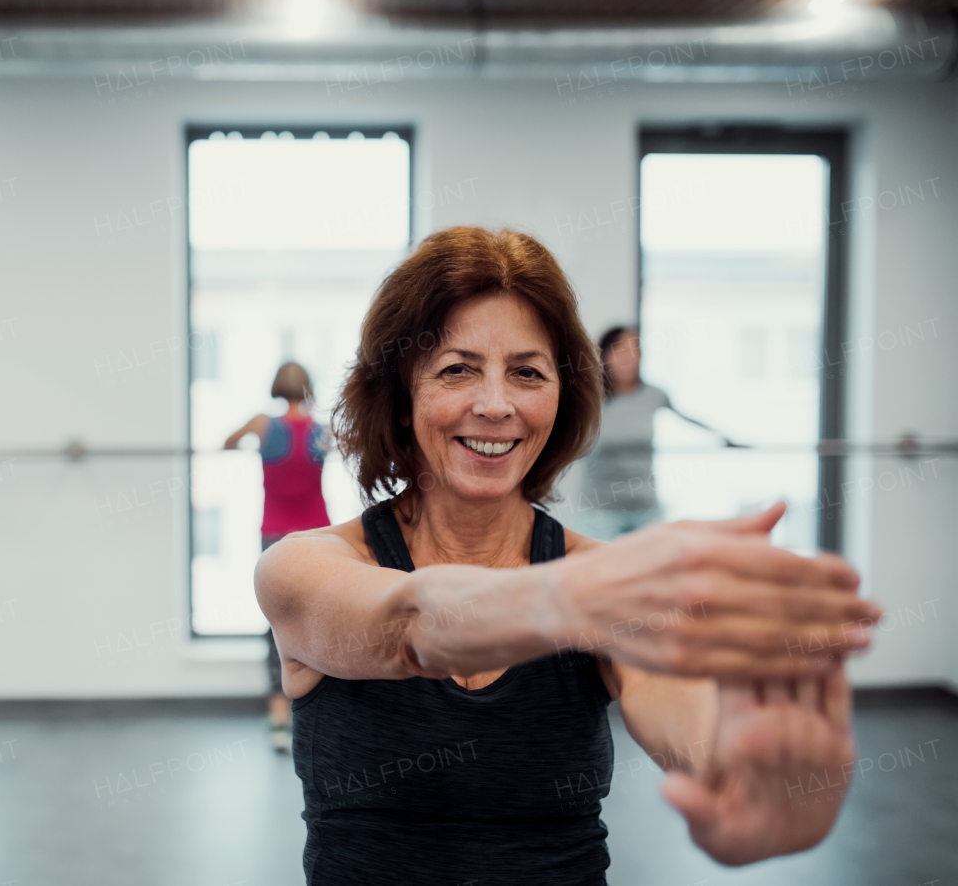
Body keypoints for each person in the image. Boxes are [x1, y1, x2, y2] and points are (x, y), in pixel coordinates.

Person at [255, 227, 880, 884]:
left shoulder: (604, 590)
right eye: (457, 369)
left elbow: (679, 705)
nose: (495, 405)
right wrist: (575, 596)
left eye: (527, 372)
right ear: (402, 397)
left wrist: (745, 774)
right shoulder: (303, 568)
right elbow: (408, 625)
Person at [224, 362, 331, 752]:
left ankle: (279, 717)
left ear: (276, 386)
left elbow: (227, 443)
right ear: (308, 387)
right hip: (319, 535)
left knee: (275, 623)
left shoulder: (261, 424)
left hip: (275, 535)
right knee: (317, 619)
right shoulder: (322, 430)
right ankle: (318, 710)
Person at [576, 325, 743, 540]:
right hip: (598, 512)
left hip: (645, 511)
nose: (628, 356)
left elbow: (689, 419)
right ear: (605, 355)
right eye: (620, 349)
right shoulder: (590, 398)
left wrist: (727, 439)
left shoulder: (654, 395)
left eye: (634, 349)